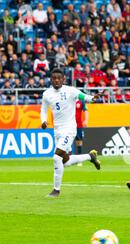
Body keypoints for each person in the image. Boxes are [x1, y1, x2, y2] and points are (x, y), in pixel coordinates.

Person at [40, 68, 101, 197]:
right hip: (57, 131)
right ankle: (90, 157)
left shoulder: (70, 91)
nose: (56, 80)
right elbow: (43, 110)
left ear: (63, 79)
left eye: (59, 78)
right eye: (54, 78)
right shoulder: (46, 94)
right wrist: (43, 121)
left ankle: (56, 190)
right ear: (51, 79)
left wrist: (93, 98)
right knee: (64, 161)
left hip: (69, 129)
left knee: (56, 158)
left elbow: (83, 96)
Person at [74, 99, 89, 167]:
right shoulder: (68, 100)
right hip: (68, 125)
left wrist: (86, 120)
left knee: (79, 141)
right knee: (67, 141)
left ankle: (79, 160)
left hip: (78, 125)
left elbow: (85, 110)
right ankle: (67, 159)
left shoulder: (80, 101)